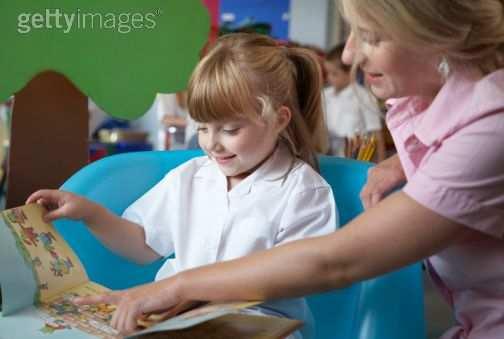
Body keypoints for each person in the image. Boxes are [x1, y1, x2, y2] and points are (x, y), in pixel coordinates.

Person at [27, 33, 337, 338]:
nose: (212, 143)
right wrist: (89, 212)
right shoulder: (190, 176)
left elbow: (296, 276)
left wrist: (194, 292)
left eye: (230, 129)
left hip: (260, 327)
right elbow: (143, 244)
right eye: (202, 128)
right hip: (177, 322)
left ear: (279, 120)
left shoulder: (304, 192)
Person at [323, 43, 386, 161]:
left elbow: (376, 133)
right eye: (328, 73)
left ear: (350, 72)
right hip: (328, 155)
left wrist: (380, 163)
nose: (329, 78)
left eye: (335, 74)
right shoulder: (325, 95)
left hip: (355, 157)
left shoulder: (364, 96)